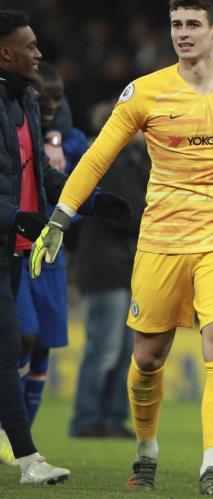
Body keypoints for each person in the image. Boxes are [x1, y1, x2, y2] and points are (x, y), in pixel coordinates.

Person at [29, 0, 213, 495]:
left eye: (193, 24)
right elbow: (97, 156)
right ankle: (146, 449)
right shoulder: (145, 92)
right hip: (161, 241)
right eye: (176, 24)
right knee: (148, 359)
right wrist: (61, 216)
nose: (182, 33)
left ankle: (212, 466)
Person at [0, 8, 75, 484]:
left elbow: (39, 175)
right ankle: (29, 461)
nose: (38, 53)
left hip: (14, 247)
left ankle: (26, 458)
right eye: (29, 46)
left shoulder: (26, 99)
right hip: (8, 233)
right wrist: (17, 216)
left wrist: (85, 199)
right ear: (5, 52)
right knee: (10, 347)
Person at [69, 105, 148, 439]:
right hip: (105, 267)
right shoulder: (111, 162)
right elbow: (125, 212)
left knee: (122, 350)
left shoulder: (132, 161)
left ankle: (113, 418)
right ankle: (88, 419)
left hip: (124, 267)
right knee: (104, 348)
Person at [12, 62, 79, 430]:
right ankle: (12, 432)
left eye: (58, 100)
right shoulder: (16, 130)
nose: (51, 106)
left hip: (52, 258)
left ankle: (24, 437)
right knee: (24, 337)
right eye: (45, 99)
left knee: (43, 344)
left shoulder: (71, 141)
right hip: (20, 248)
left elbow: (82, 191)